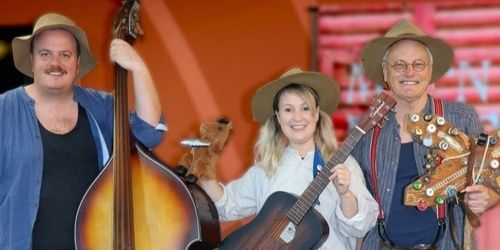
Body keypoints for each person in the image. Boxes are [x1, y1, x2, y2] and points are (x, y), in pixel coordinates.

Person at [0, 13, 166, 249]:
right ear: (32, 60)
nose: (55, 63)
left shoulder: (101, 107)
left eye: (65, 55)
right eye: (45, 54)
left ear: (77, 63)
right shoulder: (4, 110)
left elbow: (150, 133)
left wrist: (138, 68)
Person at [352, 20, 500, 250]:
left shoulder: (461, 118)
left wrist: (486, 198)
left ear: (430, 71)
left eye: (418, 64)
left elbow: (489, 180)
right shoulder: (367, 128)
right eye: (399, 65)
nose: (409, 72)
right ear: (386, 72)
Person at [200, 68, 378, 250]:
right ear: (278, 116)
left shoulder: (343, 165)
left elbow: (360, 227)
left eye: (305, 108)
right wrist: (206, 174)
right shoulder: (267, 167)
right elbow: (227, 206)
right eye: (288, 109)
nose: (297, 117)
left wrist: (345, 193)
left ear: (316, 114)